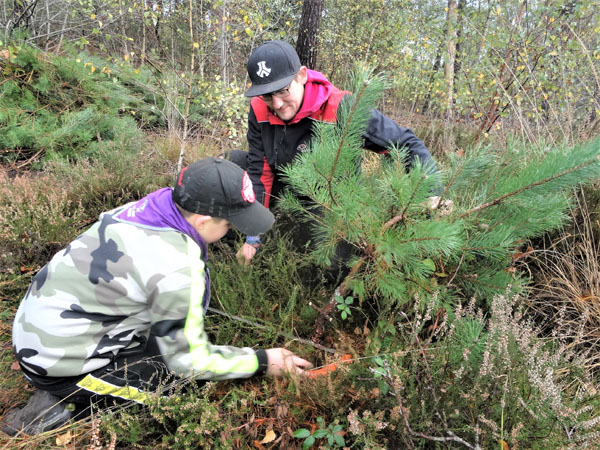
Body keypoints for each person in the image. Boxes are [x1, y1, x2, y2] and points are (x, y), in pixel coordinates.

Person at [2, 157, 311, 436]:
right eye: (230, 224)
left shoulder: (150, 208)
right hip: (55, 363)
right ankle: (60, 406)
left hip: (40, 331)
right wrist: (260, 360)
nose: (232, 231)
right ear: (203, 222)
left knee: (164, 347)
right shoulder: (174, 265)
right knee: (174, 386)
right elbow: (188, 362)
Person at [234, 40, 440, 265]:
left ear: (301, 76)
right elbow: (260, 169)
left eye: (283, 91)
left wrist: (432, 191)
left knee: (327, 261)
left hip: (330, 201)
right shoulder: (259, 108)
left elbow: (406, 143)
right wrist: (253, 234)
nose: (277, 104)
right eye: (267, 95)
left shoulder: (341, 108)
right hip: (285, 189)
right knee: (230, 165)